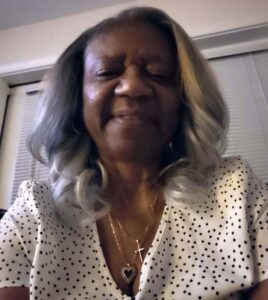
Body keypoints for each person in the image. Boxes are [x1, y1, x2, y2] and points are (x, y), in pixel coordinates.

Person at [0, 6, 267, 300]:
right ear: (77, 99)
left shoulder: (236, 190)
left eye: (158, 74)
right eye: (107, 72)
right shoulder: (34, 212)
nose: (133, 87)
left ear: (184, 100)